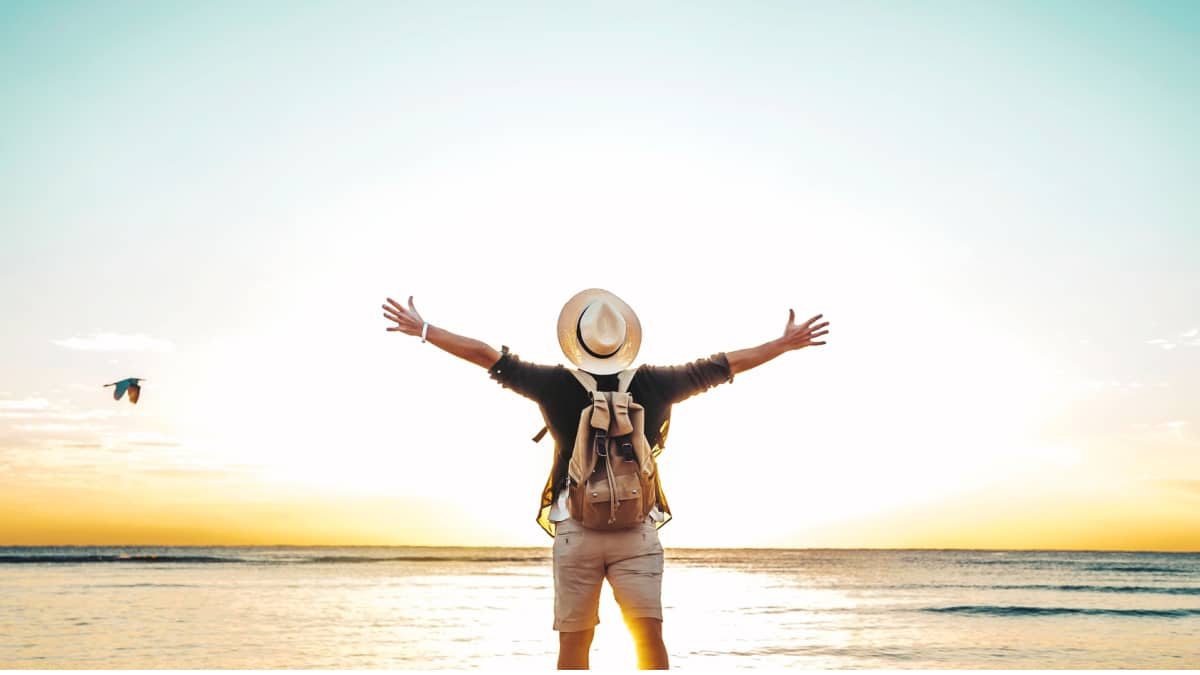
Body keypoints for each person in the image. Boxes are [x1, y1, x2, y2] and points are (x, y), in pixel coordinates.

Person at [381, 289, 829, 670]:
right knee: (649, 641)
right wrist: (782, 344)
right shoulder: (656, 382)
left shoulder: (553, 384)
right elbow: (723, 366)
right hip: (638, 530)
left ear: (578, 340)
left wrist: (425, 329)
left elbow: (487, 357)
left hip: (575, 529)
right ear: (624, 341)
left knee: (574, 645)